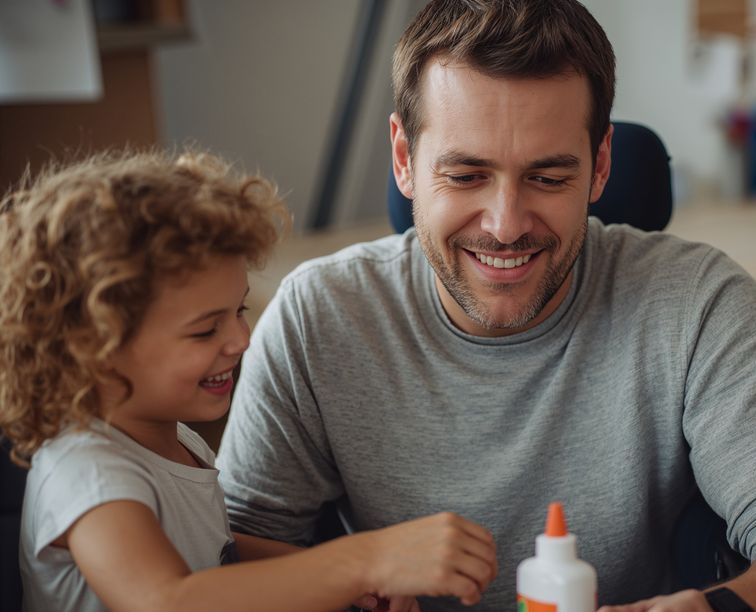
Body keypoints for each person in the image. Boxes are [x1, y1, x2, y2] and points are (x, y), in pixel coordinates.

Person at [216, 1, 756, 610]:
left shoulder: (697, 303)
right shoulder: (318, 316)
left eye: (547, 176)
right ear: (403, 158)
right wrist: (360, 565)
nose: (505, 224)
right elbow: (230, 554)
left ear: (600, 165)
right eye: (467, 174)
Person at [0, 150, 497, 612]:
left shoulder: (169, 438)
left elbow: (218, 552)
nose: (241, 338)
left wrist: (350, 576)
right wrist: (362, 561)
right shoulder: (89, 473)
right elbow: (169, 600)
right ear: (97, 350)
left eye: (238, 310)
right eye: (204, 329)